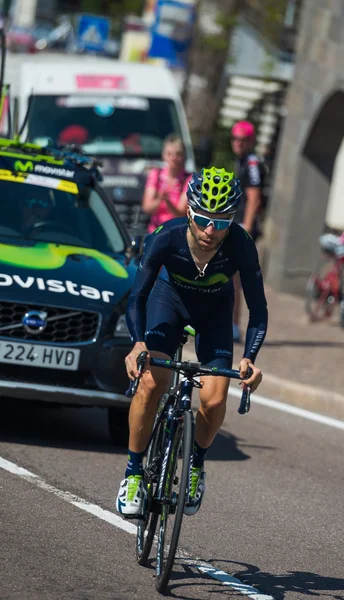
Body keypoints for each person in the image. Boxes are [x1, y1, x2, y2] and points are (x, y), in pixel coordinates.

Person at [116, 166, 268, 517]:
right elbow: (137, 298)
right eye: (202, 219)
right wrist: (138, 344)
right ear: (189, 211)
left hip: (214, 314)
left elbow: (258, 311)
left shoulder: (241, 246)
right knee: (153, 381)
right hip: (167, 303)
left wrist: (250, 358)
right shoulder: (164, 238)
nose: (210, 230)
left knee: (214, 401)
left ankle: (196, 465)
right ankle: (134, 473)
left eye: (222, 222)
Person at [231, 120, 266, 343]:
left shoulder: (251, 163)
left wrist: (247, 225)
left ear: (251, 141)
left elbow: (254, 197)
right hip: (238, 224)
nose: (239, 143)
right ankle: (231, 323)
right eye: (235, 138)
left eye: (243, 139)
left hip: (243, 227)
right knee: (232, 279)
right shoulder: (242, 161)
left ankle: (234, 325)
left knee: (234, 278)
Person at [142, 134, 191, 234]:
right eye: (169, 154)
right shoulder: (156, 175)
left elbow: (181, 213)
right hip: (156, 231)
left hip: (177, 232)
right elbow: (147, 208)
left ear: (184, 156)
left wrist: (168, 201)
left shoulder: (188, 179)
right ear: (164, 155)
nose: (173, 158)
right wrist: (160, 198)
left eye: (178, 154)